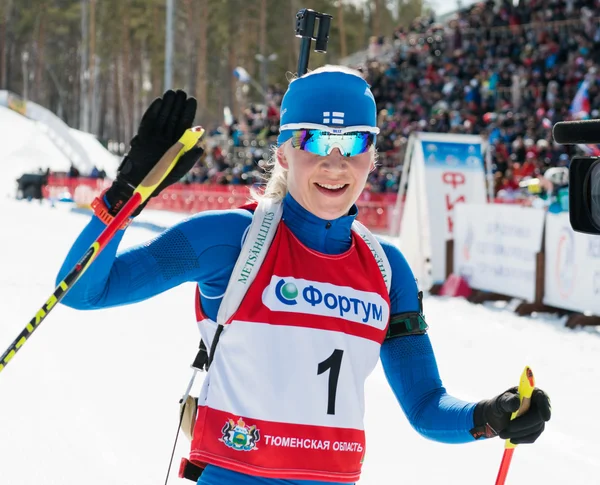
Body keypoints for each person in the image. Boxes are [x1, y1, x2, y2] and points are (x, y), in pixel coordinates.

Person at [56, 67, 551, 485]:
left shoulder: (386, 267)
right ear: (284, 153)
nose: (335, 163)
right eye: (314, 140)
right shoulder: (231, 239)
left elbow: (425, 405)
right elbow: (82, 293)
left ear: (373, 157)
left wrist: (487, 417)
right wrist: (127, 192)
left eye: (354, 143)